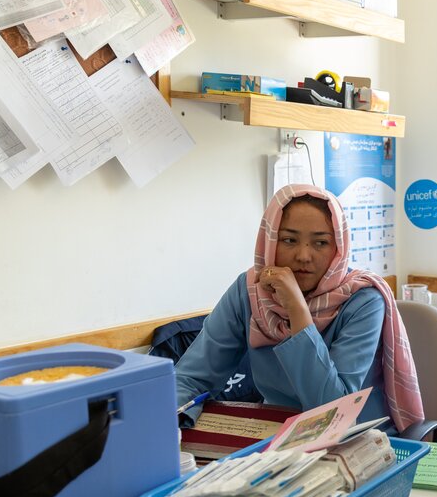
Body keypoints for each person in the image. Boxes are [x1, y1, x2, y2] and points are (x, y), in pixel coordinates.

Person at [175, 184, 423, 434]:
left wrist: (297, 310)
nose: (304, 256)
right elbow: (191, 378)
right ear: (270, 241)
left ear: (338, 248)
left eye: (321, 242)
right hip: (277, 436)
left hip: (358, 440)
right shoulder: (250, 291)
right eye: (289, 240)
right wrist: (167, 421)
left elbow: (333, 413)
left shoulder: (364, 300)